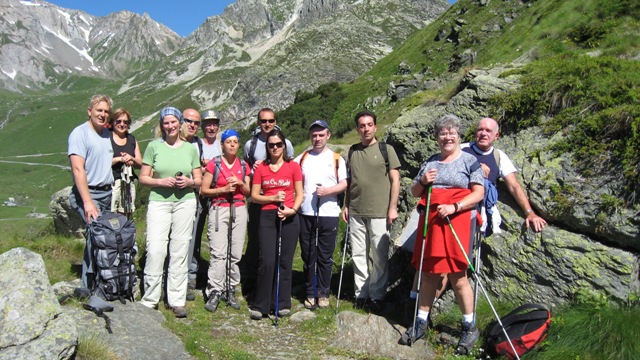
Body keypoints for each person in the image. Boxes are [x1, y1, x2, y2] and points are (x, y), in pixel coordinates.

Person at [404, 114, 484, 354]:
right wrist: (422, 180)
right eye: (443, 133)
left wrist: (455, 207)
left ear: (459, 136)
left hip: (456, 220)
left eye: (452, 133)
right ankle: (421, 322)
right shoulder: (430, 162)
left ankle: (469, 327)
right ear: (437, 137)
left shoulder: (470, 162)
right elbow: (414, 192)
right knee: (428, 273)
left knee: (457, 276)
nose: (447, 137)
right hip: (431, 221)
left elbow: (478, 193)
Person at [138, 107, 202, 318]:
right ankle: (150, 298)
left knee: (180, 249)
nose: (170, 126)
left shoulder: (191, 149)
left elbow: (199, 179)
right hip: (159, 202)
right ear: (161, 125)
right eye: (166, 123)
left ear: (180, 123)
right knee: (156, 248)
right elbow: (143, 177)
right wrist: (161, 181)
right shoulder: (153, 147)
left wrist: (190, 182)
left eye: (173, 122)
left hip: (185, 202)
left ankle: (176, 299)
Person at [342, 110, 401, 313]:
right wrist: (347, 205)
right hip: (357, 211)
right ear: (357, 129)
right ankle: (361, 294)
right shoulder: (352, 151)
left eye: (369, 125)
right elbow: (351, 182)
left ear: (375, 127)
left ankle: (377, 295)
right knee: (358, 254)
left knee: (378, 255)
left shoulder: (386, 149)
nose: (365, 129)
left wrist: (392, 207)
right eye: (361, 125)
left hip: (379, 211)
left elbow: (395, 180)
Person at [249, 129, 303, 320]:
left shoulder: (293, 167)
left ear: (284, 146)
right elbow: (254, 196)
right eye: (271, 145)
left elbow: (300, 193)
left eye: (278, 144)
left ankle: (281, 303)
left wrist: (293, 210)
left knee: (285, 261)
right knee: (267, 259)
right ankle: (261, 304)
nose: (275, 148)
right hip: (267, 215)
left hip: (288, 215)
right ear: (267, 147)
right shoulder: (261, 168)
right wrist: (272, 197)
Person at [294, 120, 347, 309]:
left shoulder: (337, 159)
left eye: (321, 135)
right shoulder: (302, 158)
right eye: (314, 135)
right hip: (306, 212)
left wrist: (329, 191)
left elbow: (344, 183)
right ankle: (310, 291)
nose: (317, 138)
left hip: (329, 213)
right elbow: (289, 175)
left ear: (328, 136)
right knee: (308, 254)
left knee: (325, 256)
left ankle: (323, 293)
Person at [241, 108, 293, 299]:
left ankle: (273, 285)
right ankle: (252, 283)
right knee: (255, 242)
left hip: (278, 200)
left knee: (276, 245)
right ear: (258, 122)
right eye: (263, 121)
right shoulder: (251, 145)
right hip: (257, 198)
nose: (267, 124)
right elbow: (246, 169)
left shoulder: (285, 142)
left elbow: (289, 167)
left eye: (271, 120)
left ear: (276, 121)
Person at [461, 117, 547, 232]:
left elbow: (514, 186)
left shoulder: (499, 156)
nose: (483, 134)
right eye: (480, 130)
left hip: (481, 212)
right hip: (459, 205)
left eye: (488, 131)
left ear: (496, 136)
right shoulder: (461, 150)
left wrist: (530, 213)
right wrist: (475, 167)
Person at [200, 129, 251, 312]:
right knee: (218, 252)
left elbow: (249, 191)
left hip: (238, 208)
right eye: (228, 141)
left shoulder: (243, 166)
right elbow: (204, 190)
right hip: (219, 208)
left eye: (235, 142)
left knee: (235, 253)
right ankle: (215, 289)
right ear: (222, 144)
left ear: (238, 144)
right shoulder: (214, 164)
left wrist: (239, 182)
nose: (232, 145)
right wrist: (223, 189)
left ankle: (230, 288)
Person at [68, 94, 114, 289]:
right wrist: (87, 201)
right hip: (90, 194)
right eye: (99, 110)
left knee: (100, 236)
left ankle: (98, 280)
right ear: (90, 111)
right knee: (96, 236)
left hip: (106, 193)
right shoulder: (80, 134)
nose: (102, 114)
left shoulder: (106, 134)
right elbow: (78, 169)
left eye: (106, 111)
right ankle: (89, 286)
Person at [186, 109, 220, 298]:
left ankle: (214, 275)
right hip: (198, 194)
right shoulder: (197, 144)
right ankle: (191, 274)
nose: (211, 127)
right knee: (194, 234)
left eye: (214, 124)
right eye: (207, 124)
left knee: (216, 236)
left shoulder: (221, 145)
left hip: (217, 196)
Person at [109, 108, 142, 216]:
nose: (122, 124)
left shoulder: (132, 139)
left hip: (128, 183)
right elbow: (101, 162)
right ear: (113, 122)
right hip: (111, 183)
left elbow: (140, 163)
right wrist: (119, 159)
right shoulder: (106, 138)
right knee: (111, 214)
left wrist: (131, 159)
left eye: (125, 122)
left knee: (126, 215)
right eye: (118, 121)